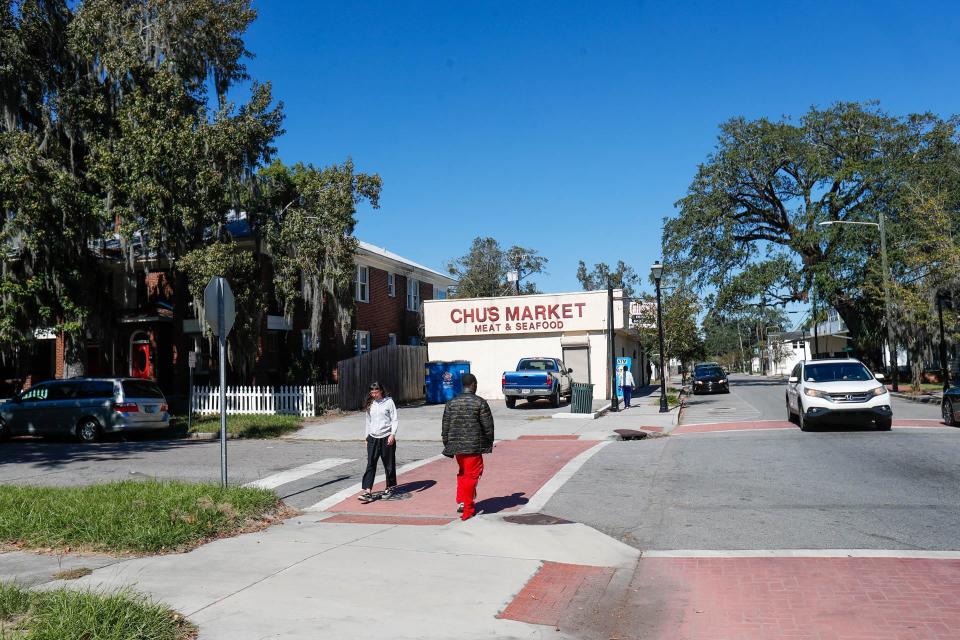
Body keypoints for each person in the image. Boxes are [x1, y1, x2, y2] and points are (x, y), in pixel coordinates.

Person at [441, 373, 494, 521]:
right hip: (473, 447)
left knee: (463, 472)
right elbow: (488, 426)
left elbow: (445, 425)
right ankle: (467, 508)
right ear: (474, 385)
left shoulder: (451, 403)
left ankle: (462, 499)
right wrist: (488, 443)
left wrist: (447, 442)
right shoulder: (480, 402)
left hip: (457, 446)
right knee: (472, 475)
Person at [358, 382, 398, 503]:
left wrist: (392, 434)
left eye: (376, 392)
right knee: (371, 464)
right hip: (373, 438)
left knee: (389, 464)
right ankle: (367, 491)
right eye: (372, 393)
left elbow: (394, 419)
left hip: (386, 437)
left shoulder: (389, 402)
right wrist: (366, 437)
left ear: (381, 391)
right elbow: (368, 421)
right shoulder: (370, 403)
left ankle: (390, 487)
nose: (374, 395)